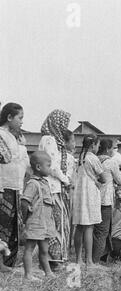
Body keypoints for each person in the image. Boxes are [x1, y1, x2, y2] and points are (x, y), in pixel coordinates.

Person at [38, 109, 72, 269]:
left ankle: (53, 259)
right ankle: (53, 260)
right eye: (64, 123)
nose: (65, 127)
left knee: (53, 224)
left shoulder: (47, 138)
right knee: (56, 225)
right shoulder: (50, 140)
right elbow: (53, 165)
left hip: (50, 186)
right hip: (51, 187)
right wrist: (65, 180)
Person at [21, 152, 57, 281]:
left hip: (45, 223)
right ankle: (28, 275)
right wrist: (25, 220)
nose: (50, 168)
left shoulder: (45, 182)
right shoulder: (33, 184)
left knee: (44, 249)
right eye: (48, 165)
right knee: (30, 248)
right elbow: (24, 202)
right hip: (35, 222)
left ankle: (48, 272)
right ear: (38, 167)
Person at [0, 103, 28, 272]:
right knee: (2, 226)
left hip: (14, 187)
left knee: (11, 228)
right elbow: (4, 159)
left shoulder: (11, 136)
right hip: (3, 187)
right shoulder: (1, 135)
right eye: (20, 118)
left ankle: (7, 263)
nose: (22, 122)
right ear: (9, 117)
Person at [72, 134, 107, 267]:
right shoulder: (93, 158)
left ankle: (78, 259)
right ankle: (89, 260)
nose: (98, 148)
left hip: (79, 193)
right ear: (93, 145)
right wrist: (98, 181)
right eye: (98, 145)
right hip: (90, 193)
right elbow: (103, 178)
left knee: (79, 226)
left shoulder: (80, 157)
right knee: (89, 226)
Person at [93, 138, 121, 263]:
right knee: (103, 231)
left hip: (93, 198)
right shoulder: (111, 162)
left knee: (94, 230)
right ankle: (96, 260)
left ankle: (95, 258)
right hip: (105, 200)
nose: (113, 151)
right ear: (108, 149)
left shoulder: (94, 159)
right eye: (113, 148)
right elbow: (120, 180)